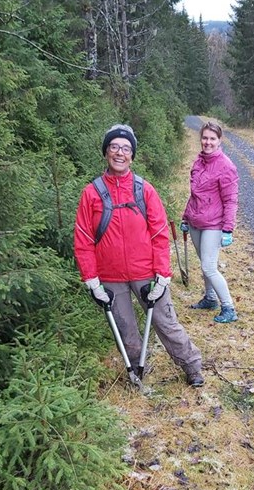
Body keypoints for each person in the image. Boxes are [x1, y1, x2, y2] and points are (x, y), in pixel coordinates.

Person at [74, 124, 203, 387]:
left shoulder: (144, 190)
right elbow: (83, 240)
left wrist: (163, 275)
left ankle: (192, 366)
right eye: (114, 147)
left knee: (166, 323)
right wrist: (92, 280)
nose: (119, 153)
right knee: (126, 331)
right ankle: (136, 371)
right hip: (109, 277)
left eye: (126, 148)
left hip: (147, 274)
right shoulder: (92, 193)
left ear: (132, 155)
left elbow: (159, 234)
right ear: (106, 152)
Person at [181, 120, 239, 324]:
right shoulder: (198, 162)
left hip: (214, 224)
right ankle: (210, 298)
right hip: (196, 220)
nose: (207, 142)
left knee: (209, 267)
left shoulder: (226, 166)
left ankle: (229, 308)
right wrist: (186, 217)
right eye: (205, 138)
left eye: (212, 138)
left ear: (219, 140)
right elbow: (194, 194)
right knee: (205, 263)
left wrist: (228, 229)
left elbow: (231, 200)